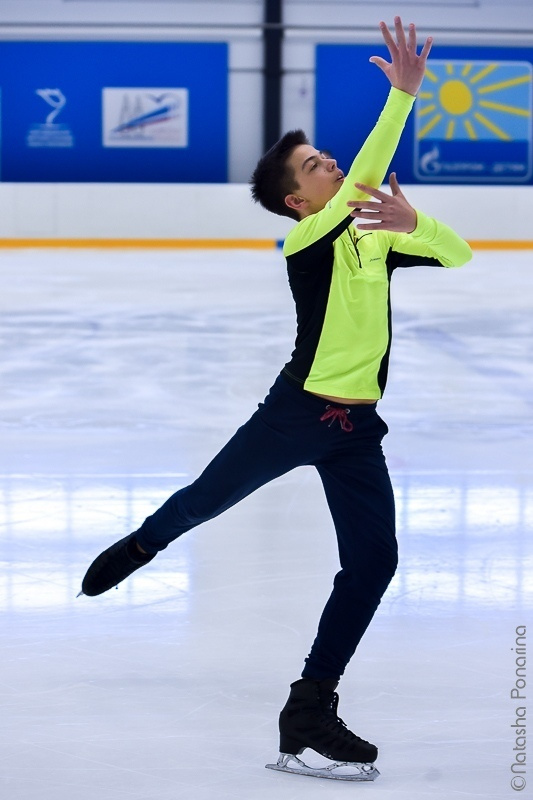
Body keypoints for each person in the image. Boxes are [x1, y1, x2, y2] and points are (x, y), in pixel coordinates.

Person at [80, 18, 470, 782]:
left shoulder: (373, 237)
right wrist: (400, 96)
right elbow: (367, 171)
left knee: (374, 561)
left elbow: (458, 254)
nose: (333, 165)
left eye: (327, 157)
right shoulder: (304, 241)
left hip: (354, 427)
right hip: (295, 413)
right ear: (296, 201)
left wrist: (413, 221)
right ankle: (143, 544)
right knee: (204, 501)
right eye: (316, 166)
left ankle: (309, 704)